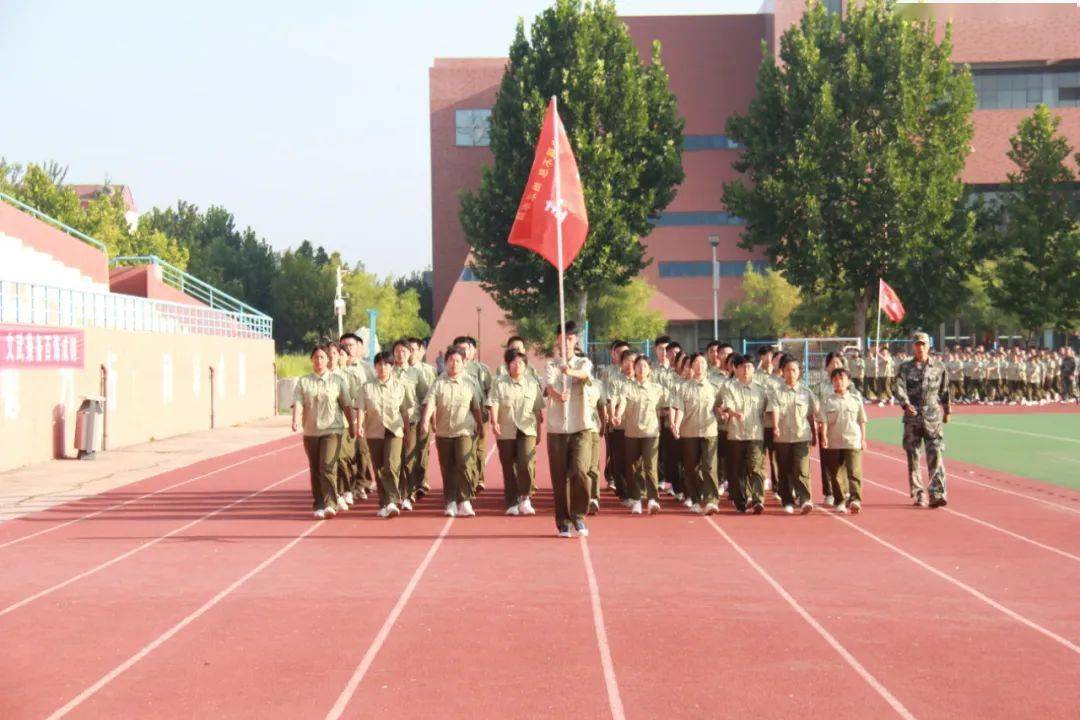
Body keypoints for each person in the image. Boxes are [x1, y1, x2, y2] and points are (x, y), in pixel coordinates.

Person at [291, 344, 357, 519]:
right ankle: (319, 503)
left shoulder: (337, 381)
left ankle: (330, 503)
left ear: (328, 360)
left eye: (322, 357)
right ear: (311, 360)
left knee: (327, 466)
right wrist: (295, 420)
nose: (319, 360)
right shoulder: (304, 381)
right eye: (316, 357)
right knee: (315, 468)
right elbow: (298, 402)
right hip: (311, 431)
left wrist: (352, 426)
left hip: (332, 430)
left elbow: (347, 405)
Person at [544, 322, 595, 538]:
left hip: (580, 426)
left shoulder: (584, 362)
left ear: (575, 340)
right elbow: (548, 387)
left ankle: (579, 515)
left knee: (580, 471)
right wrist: (557, 395)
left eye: (570, 338)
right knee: (559, 478)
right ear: (557, 339)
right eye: (562, 337)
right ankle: (563, 521)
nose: (566, 341)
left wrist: (570, 371)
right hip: (557, 428)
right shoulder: (550, 365)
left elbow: (584, 375)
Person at [422, 348, 484, 517]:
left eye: (458, 361)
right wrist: (426, 420)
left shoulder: (470, 383)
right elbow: (431, 403)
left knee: (464, 463)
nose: (454, 364)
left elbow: (476, 407)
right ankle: (450, 501)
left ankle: (465, 500)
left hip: (464, 430)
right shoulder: (439, 383)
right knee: (448, 467)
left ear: (464, 363)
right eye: (450, 360)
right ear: (446, 362)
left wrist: (480, 425)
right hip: (444, 431)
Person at [893, 331, 951, 508]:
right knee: (914, 455)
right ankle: (919, 493)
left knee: (935, 453)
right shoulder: (905, 368)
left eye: (923, 344)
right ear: (913, 346)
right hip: (912, 416)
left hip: (932, 417)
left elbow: (945, 390)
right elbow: (898, 388)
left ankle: (937, 493)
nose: (920, 348)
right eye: (917, 344)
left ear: (928, 346)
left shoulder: (939, 367)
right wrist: (905, 403)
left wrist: (947, 410)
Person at [357, 351, 415, 518]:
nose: (383, 367)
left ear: (392, 367)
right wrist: (360, 425)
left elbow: (404, 411)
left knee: (391, 464)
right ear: (375, 366)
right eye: (380, 364)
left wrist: (407, 430)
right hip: (374, 431)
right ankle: (384, 502)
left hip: (394, 430)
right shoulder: (367, 387)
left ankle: (392, 500)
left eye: (387, 364)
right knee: (379, 468)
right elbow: (361, 408)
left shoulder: (399, 387)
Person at [610, 355, 670, 515]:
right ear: (634, 369)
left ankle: (652, 499)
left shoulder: (657, 389)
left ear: (650, 369)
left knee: (650, 466)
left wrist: (673, 417)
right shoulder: (627, 387)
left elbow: (671, 403)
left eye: (644, 366)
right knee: (633, 467)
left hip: (651, 432)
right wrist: (617, 415)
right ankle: (636, 499)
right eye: (638, 366)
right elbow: (622, 402)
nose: (641, 369)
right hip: (632, 433)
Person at [488, 347, 544, 516]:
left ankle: (525, 497)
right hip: (506, 428)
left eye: (520, 362)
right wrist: (495, 420)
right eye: (513, 362)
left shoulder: (532, 384)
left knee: (526, 463)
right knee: (508, 466)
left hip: (527, 429)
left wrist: (539, 432)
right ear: (507, 365)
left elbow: (537, 411)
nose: (517, 365)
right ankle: (512, 501)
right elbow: (494, 402)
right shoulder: (499, 383)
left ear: (526, 366)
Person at [670, 353, 722, 514]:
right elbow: (680, 409)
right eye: (696, 363)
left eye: (703, 363)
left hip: (709, 431)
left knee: (709, 466)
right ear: (691, 366)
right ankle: (695, 498)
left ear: (707, 366)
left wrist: (724, 414)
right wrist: (676, 425)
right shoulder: (684, 388)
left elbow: (720, 407)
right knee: (691, 468)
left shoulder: (714, 387)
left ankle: (712, 499)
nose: (700, 366)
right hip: (689, 431)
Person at [767, 357, 819, 514]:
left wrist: (815, 434)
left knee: (802, 468)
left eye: (794, 370)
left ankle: (805, 499)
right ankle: (787, 500)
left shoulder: (806, 393)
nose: (791, 373)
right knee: (784, 470)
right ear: (783, 372)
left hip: (801, 436)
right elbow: (774, 410)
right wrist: (775, 426)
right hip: (782, 437)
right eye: (788, 370)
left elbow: (811, 415)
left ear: (799, 372)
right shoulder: (777, 392)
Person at [719, 354, 769, 514]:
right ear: (735, 368)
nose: (745, 370)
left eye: (748, 366)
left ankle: (757, 500)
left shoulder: (761, 390)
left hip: (755, 434)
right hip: (736, 434)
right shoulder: (729, 387)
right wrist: (733, 413)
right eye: (741, 366)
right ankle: (740, 501)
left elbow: (768, 411)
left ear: (754, 369)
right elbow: (726, 404)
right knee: (736, 471)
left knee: (756, 468)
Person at [817, 367, 867, 514]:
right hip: (834, 441)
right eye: (836, 379)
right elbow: (824, 422)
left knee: (854, 471)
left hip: (853, 440)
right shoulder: (827, 401)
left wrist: (863, 439)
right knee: (836, 474)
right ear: (832, 382)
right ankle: (840, 501)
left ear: (848, 381)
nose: (839, 382)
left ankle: (856, 499)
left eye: (842, 379)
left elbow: (862, 421)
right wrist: (824, 437)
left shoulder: (856, 399)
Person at [340, 333, 376, 501]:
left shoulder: (367, 369)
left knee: (362, 451)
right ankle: (348, 485)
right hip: (343, 417)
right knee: (345, 454)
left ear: (359, 348)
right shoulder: (337, 369)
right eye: (344, 346)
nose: (347, 349)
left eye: (350, 345)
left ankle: (363, 483)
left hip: (362, 415)